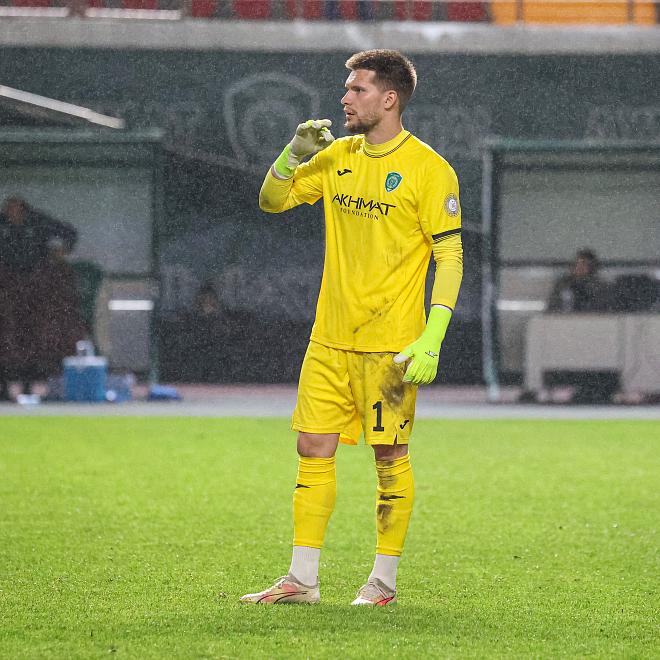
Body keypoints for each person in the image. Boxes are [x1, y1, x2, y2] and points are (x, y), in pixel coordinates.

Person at [240, 50, 463, 605]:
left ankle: (382, 582)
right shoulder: (337, 155)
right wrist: (292, 154)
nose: (345, 98)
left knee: (389, 458)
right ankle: (302, 581)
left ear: (389, 98)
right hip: (329, 338)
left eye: (357, 89)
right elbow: (271, 201)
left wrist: (432, 337)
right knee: (312, 446)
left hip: (392, 347)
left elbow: (450, 256)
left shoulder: (430, 169)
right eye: (346, 89)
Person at [0, 197, 84, 400]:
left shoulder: (39, 221)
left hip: (34, 288)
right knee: (7, 338)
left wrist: (62, 250)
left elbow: (69, 233)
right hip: (8, 289)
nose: (12, 215)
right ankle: (4, 386)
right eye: (8, 211)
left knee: (33, 338)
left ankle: (31, 384)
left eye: (16, 210)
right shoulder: (2, 223)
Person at [547, 249, 607, 313]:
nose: (579, 267)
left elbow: (598, 308)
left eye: (583, 264)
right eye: (577, 264)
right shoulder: (564, 283)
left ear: (591, 267)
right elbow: (553, 305)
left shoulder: (598, 287)